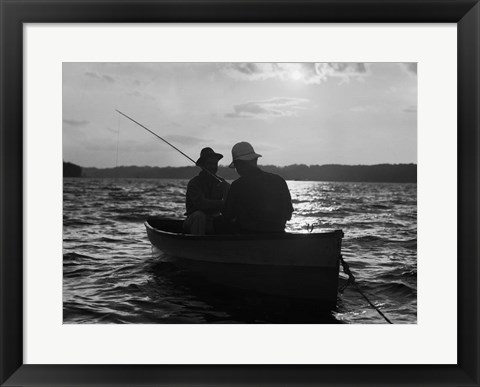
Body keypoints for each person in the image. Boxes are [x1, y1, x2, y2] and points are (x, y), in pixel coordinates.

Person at [223, 142, 293, 233]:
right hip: (278, 235)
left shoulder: (238, 185)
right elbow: (288, 215)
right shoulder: (279, 180)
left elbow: (228, 215)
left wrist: (225, 196)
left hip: (248, 238)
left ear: (238, 164)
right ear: (255, 160)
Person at [183, 147, 230, 235]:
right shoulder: (194, 183)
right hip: (194, 222)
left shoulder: (222, 183)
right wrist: (223, 203)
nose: (212, 167)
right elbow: (201, 204)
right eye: (209, 164)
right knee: (199, 216)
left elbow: (229, 206)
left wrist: (228, 191)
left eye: (215, 164)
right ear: (202, 166)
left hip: (213, 222)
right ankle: (198, 245)